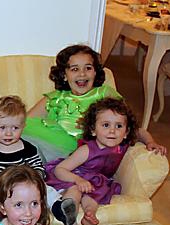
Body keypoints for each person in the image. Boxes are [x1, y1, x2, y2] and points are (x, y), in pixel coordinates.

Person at [0, 95, 93, 225]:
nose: (9, 134)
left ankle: (60, 208)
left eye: (15, 128)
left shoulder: (28, 148)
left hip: (23, 187)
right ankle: (0, 214)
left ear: (22, 127)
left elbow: (38, 167)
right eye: (2, 128)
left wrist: (36, 178)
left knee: (45, 188)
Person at [23, 44, 166, 162]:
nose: (82, 74)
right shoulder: (55, 98)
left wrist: (150, 141)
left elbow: (128, 126)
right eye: (74, 69)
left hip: (83, 153)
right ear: (64, 75)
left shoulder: (104, 94)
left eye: (88, 68)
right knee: (19, 136)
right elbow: (25, 123)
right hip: (51, 148)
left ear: (95, 72)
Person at [44, 97, 143, 225]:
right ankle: (69, 223)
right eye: (105, 125)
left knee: (96, 192)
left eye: (119, 126)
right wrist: (78, 180)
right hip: (72, 176)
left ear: (126, 132)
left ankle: (89, 214)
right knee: (76, 191)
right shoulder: (87, 150)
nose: (112, 131)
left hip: (95, 181)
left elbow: (141, 132)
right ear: (92, 129)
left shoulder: (122, 146)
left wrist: (151, 143)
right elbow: (60, 169)